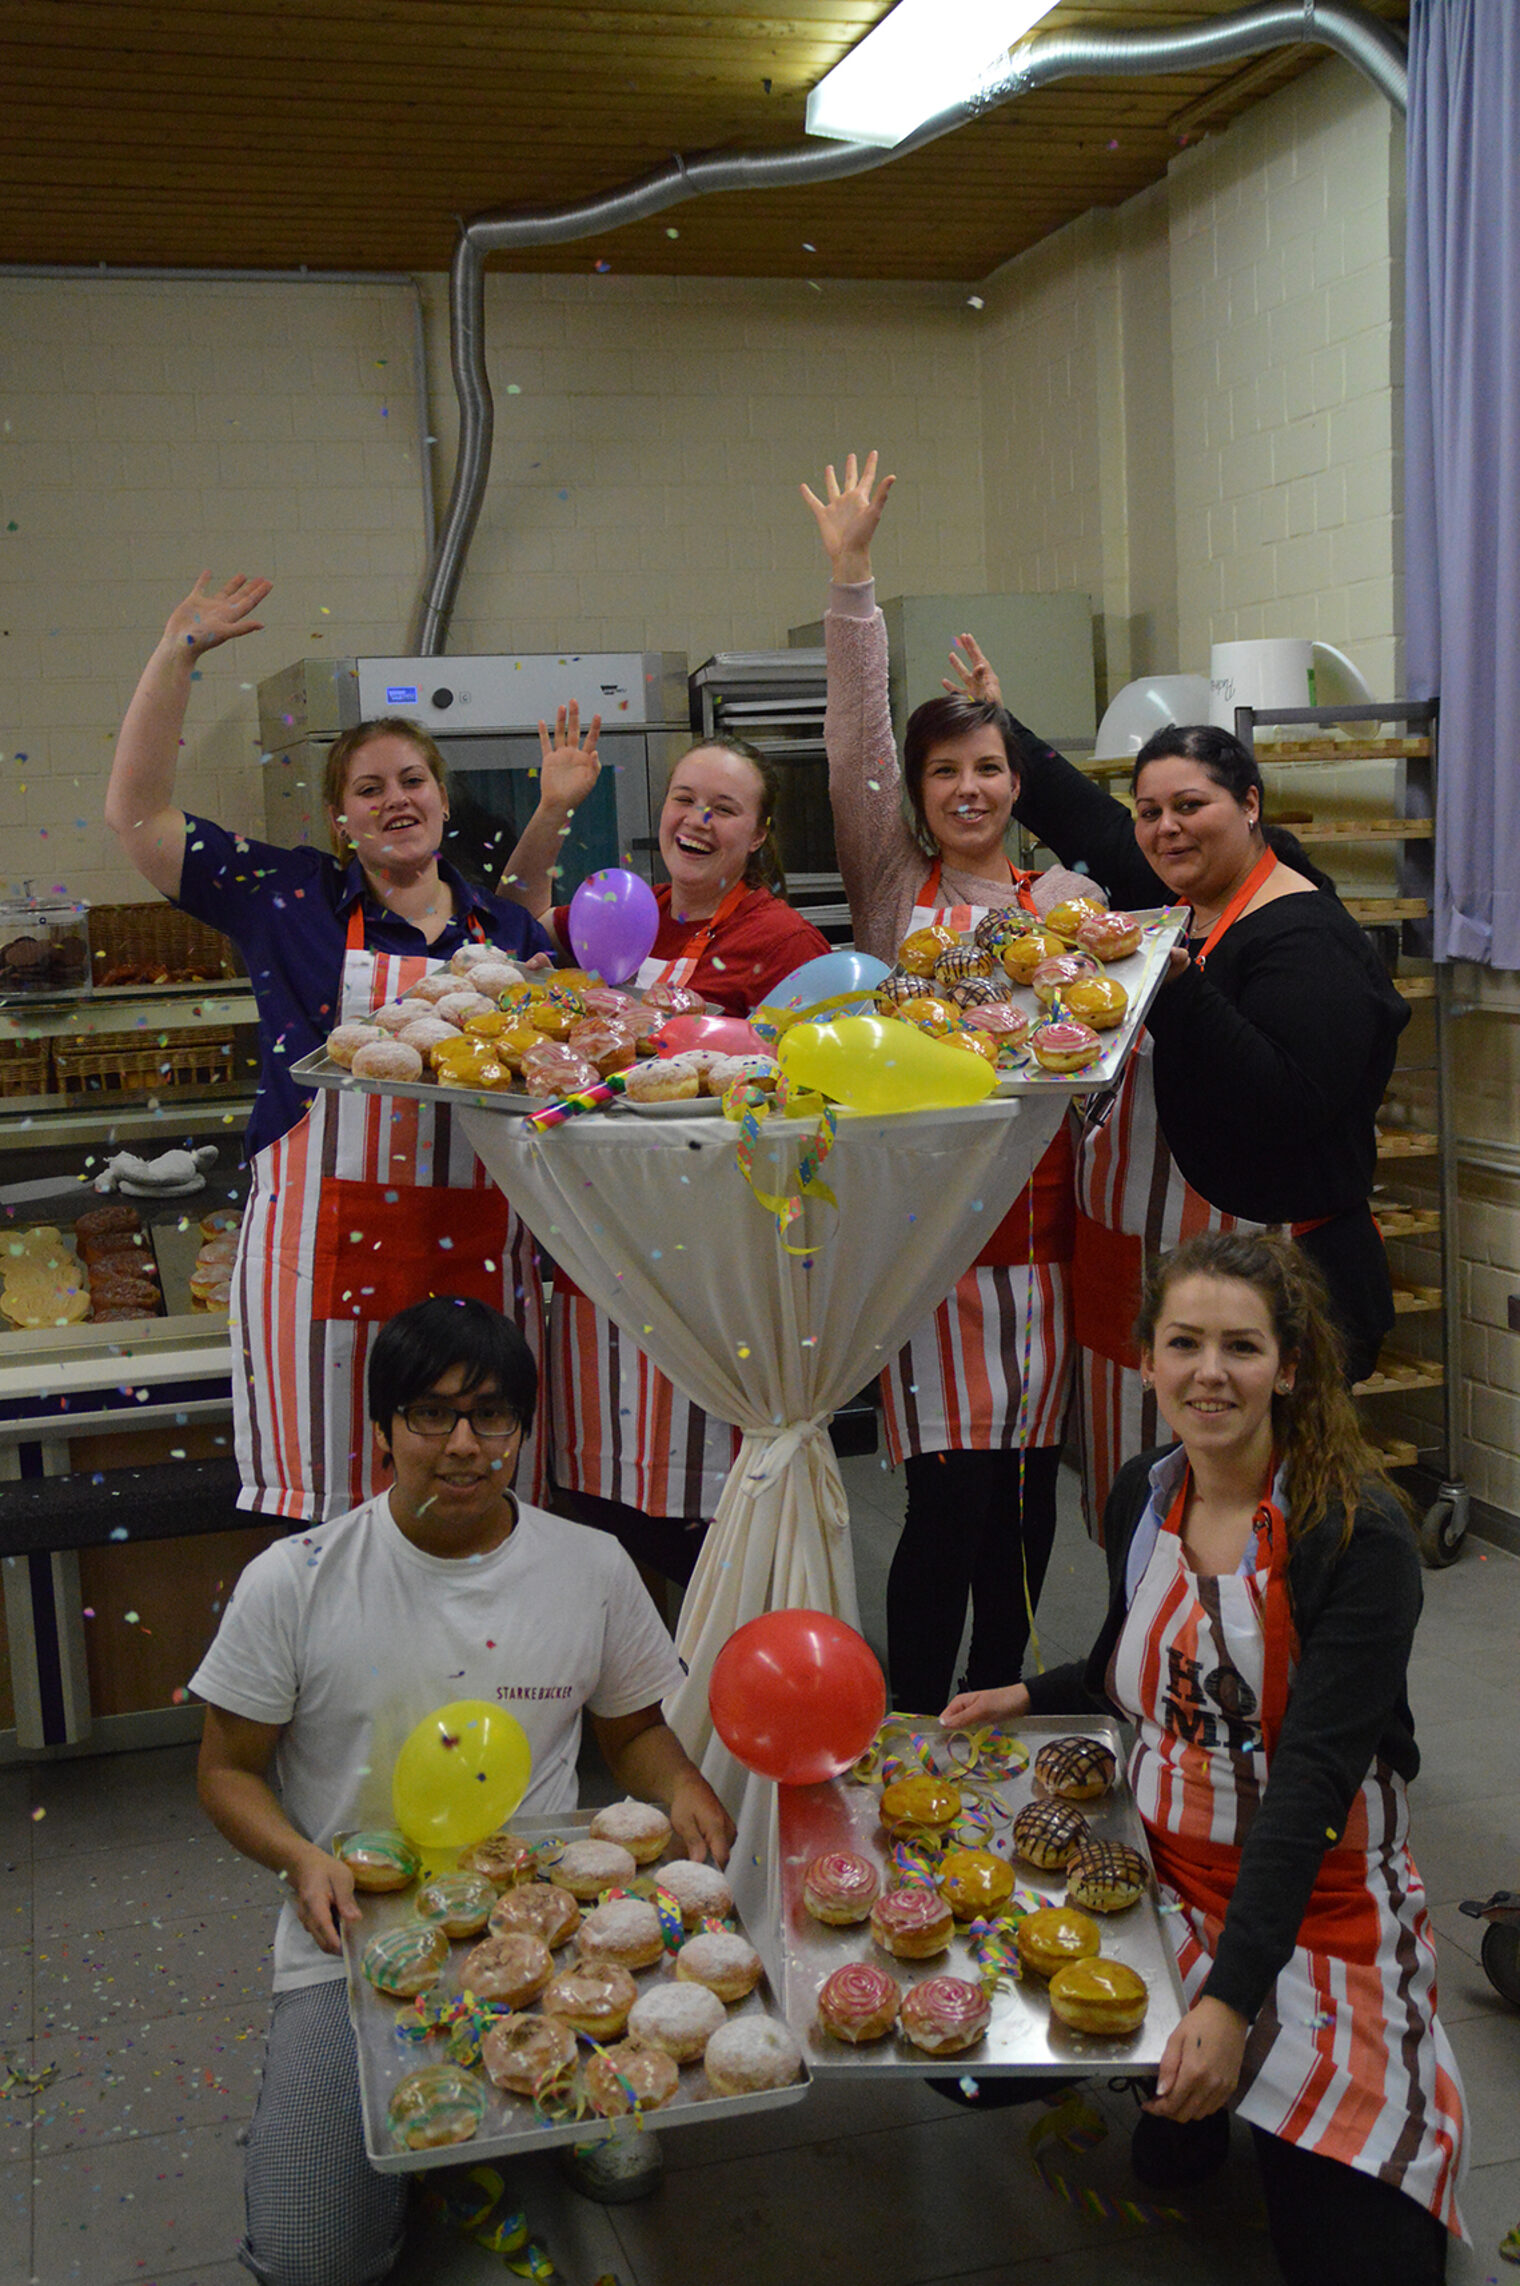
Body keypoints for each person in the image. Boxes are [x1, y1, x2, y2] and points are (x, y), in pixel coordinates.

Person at [944, 1232, 1464, 2285]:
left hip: (1320, 1903)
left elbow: (1312, 1784)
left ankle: (1214, 2061)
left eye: (1240, 1347)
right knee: (961, 2067)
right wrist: (1023, 1697)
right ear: (1145, 1360)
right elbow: (1124, 1660)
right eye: (1183, 1344)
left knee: (1368, 2264)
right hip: (1159, 1886)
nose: (1208, 1373)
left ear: (1287, 1366)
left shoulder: (1352, 1536)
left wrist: (1229, 2002)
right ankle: (1172, 2082)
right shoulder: (1141, 1492)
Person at [191, 1294, 733, 2286]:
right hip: (358, 1925)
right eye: (430, 1415)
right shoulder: (295, 1579)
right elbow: (226, 1770)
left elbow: (633, 1732)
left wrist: (683, 1785)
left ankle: (542, 2066)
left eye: (492, 1416)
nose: (463, 1444)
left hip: (551, 1915)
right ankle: (380, 2129)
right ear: (381, 1429)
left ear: (524, 1431)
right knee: (313, 2262)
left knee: (632, 2160)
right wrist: (299, 1855)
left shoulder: (591, 1567)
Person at [104, 572, 555, 1520]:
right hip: (319, 1257)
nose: (395, 799)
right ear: (339, 820)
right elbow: (137, 816)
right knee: (327, 1535)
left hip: (477, 1262)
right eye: (368, 788)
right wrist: (176, 651)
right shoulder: (288, 898)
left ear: (443, 799)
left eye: (412, 780)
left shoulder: (508, 939)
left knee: (472, 1523)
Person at [950, 648, 1409, 1530]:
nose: (1164, 830)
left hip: (1280, 1295)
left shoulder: (1304, 935)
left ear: (1250, 805)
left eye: (1190, 806)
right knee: (1156, 1522)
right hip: (1160, 1281)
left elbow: (1285, 1103)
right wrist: (998, 726)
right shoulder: (1184, 897)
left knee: (1256, 1532)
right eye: (1151, 812)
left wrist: (1172, 977)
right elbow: (1092, 825)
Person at [802, 451, 1094, 1713]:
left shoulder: (1068, 907)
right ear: (916, 799)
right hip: (932, 1250)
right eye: (943, 775)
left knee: (1030, 1504)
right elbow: (854, 748)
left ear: (1014, 784)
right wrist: (853, 583)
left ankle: (1002, 1707)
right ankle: (913, 1720)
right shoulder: (891, 888)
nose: (966, 790)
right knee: (947, 1501)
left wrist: (1006, 711)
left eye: (987, 770)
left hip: (1045, 1248)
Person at [504, 710, 830, 1582]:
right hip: (595, 1247)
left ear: (759, 834)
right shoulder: (620, 908)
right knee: (599, 1508)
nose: (697, 818)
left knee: (701, 1512)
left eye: (723, 807)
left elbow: (817, 1102)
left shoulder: (784, 940)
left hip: (712, 1259)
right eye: (684, 798)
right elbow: (514, 908)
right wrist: (553, 810)